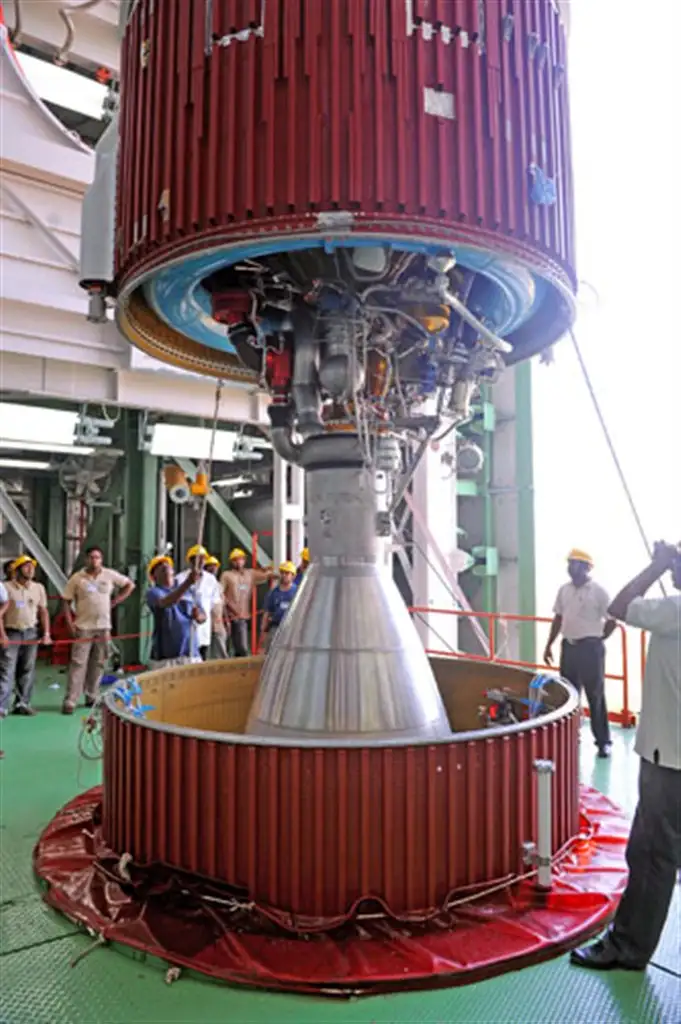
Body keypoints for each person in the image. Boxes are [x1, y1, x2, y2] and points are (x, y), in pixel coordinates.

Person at [571, 541, 681, 971]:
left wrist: (656, 565)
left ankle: (629, 947)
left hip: (669, 757)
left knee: (652, 854)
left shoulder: (675, 611)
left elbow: (619, 606)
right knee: (657, 849)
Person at [543, 549, 617, 757]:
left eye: (575, 563)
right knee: (569, 694)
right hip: (569, 647)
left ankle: (603, 741)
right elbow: (558, 618)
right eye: (569, 563)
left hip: (590, 649)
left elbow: (612, 619)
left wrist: (600, 638)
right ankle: (570, 737)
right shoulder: (564, 590)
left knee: (595, 695)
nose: (571, 567)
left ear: (587, 568)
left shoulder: (598, 591)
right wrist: (549, 644)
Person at [61, 546, 134, 714]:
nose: (95, 560)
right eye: (92, 557)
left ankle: (91, 696)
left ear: (101, 559)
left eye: (98, 557)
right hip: (83, 627)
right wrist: (69, 623)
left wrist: (116, 600)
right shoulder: (77, 578)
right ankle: (71, 700)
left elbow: (130, 585)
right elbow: (66, 600)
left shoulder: (109, 575)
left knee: (99, 663)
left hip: (103, 627)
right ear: (86, 559)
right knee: (78, 663)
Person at [0, 555, 51, 717]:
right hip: (11, 632)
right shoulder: (6, 588)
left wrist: (46, 634)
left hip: (31, 633)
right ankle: (2, 706)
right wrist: (2, 635)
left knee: (27, 669)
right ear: (17, 569)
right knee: (7, 669)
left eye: (32, 567)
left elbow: (43, 611)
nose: (30, 570)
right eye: (26, 566)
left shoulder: (38, 588)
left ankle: (23, 703)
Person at [146, 556, 205, 668]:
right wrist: (188, 582)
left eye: (167, 564)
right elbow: (166, 602)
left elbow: (203, 616)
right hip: (166, 659)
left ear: (173, 571)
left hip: (191, 654)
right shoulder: (153, 593)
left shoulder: (190, 591)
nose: (164, 565)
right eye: (159, 566)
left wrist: (198, 616)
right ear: (154, 576)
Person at [220, 548, 274, 657]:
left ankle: (237, 669)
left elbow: (269, 575)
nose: (238, 562)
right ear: (231, 562)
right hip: (232, 617)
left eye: (240, 559)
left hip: (244, 616)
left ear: (244, 561)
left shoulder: (250, 574)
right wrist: (230, 610)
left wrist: (269, 568)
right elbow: (220, 595)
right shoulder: (227, 575)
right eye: (235, 560)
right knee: (241, 648)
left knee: (240, 648)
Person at [175, 545, 222, 661]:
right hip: (185, 625)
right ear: (190, 560)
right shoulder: (180, 579)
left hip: (204, 624)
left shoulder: (211, 580)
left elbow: (215, 602)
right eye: (197, 558)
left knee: (202, 655)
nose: (201, 561)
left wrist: (217, 620)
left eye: (203, 558)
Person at [259, 562, 298, 653]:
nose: (284, 575)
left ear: (293, 576)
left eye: (287, 573)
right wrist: (263, 630)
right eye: (282, 573)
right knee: (271, 652)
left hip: (292, 628)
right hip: (276, 626)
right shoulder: (273, 593)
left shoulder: (298, 592)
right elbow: (267, 612)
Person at [203, 555, 229, 660]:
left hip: (218, 623)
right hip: (205, 623)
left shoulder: (218, 586)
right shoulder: (202, 584)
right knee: (204, 649)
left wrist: (227, 620)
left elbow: (223, 604)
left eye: (215, 566)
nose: (213, 569)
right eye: (210, 566)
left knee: (221, 647)